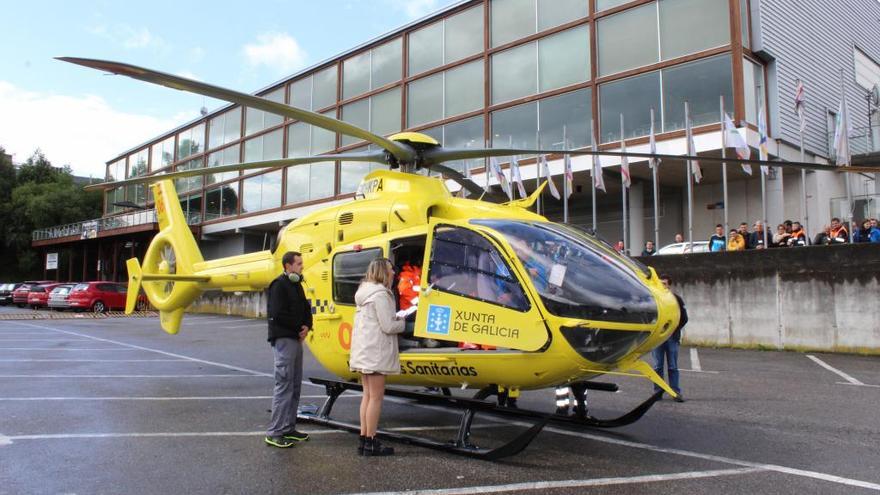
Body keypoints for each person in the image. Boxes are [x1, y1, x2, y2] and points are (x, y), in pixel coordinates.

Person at [350, 257, 405, 456]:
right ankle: (372, 441)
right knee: (376, 398)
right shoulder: (381, 295)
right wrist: (402, 321)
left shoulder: (364, 292)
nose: (393, 272)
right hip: (376, 352)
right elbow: (389, 326)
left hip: (365, 351)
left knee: (367, 396)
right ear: (383, 271)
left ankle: (364, 439)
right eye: (391, 269)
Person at [265, 251, 313, 448]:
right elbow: (277, 314)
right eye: (299, 263)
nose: (302, 266)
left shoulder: (296, 285)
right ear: (288, 266)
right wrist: (297, 327)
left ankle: (288, 427)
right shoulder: (279, 285)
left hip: (295, 337)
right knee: (284, 384)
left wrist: (307, 326)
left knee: (294, 385)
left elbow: (304, 308)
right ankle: (275, 431)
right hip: (285, 338)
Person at [653, 275, 688, 402]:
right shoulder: (653, 299)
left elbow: (684, 318)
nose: (662, 285)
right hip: (656, 339)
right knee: (657, 367)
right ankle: (657, 392)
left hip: (672, 338)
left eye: (665, 283)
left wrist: (673, 329)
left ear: (669, 285)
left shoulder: (676, 299)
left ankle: (675, 392)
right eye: (660, 283)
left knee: (672, 366)